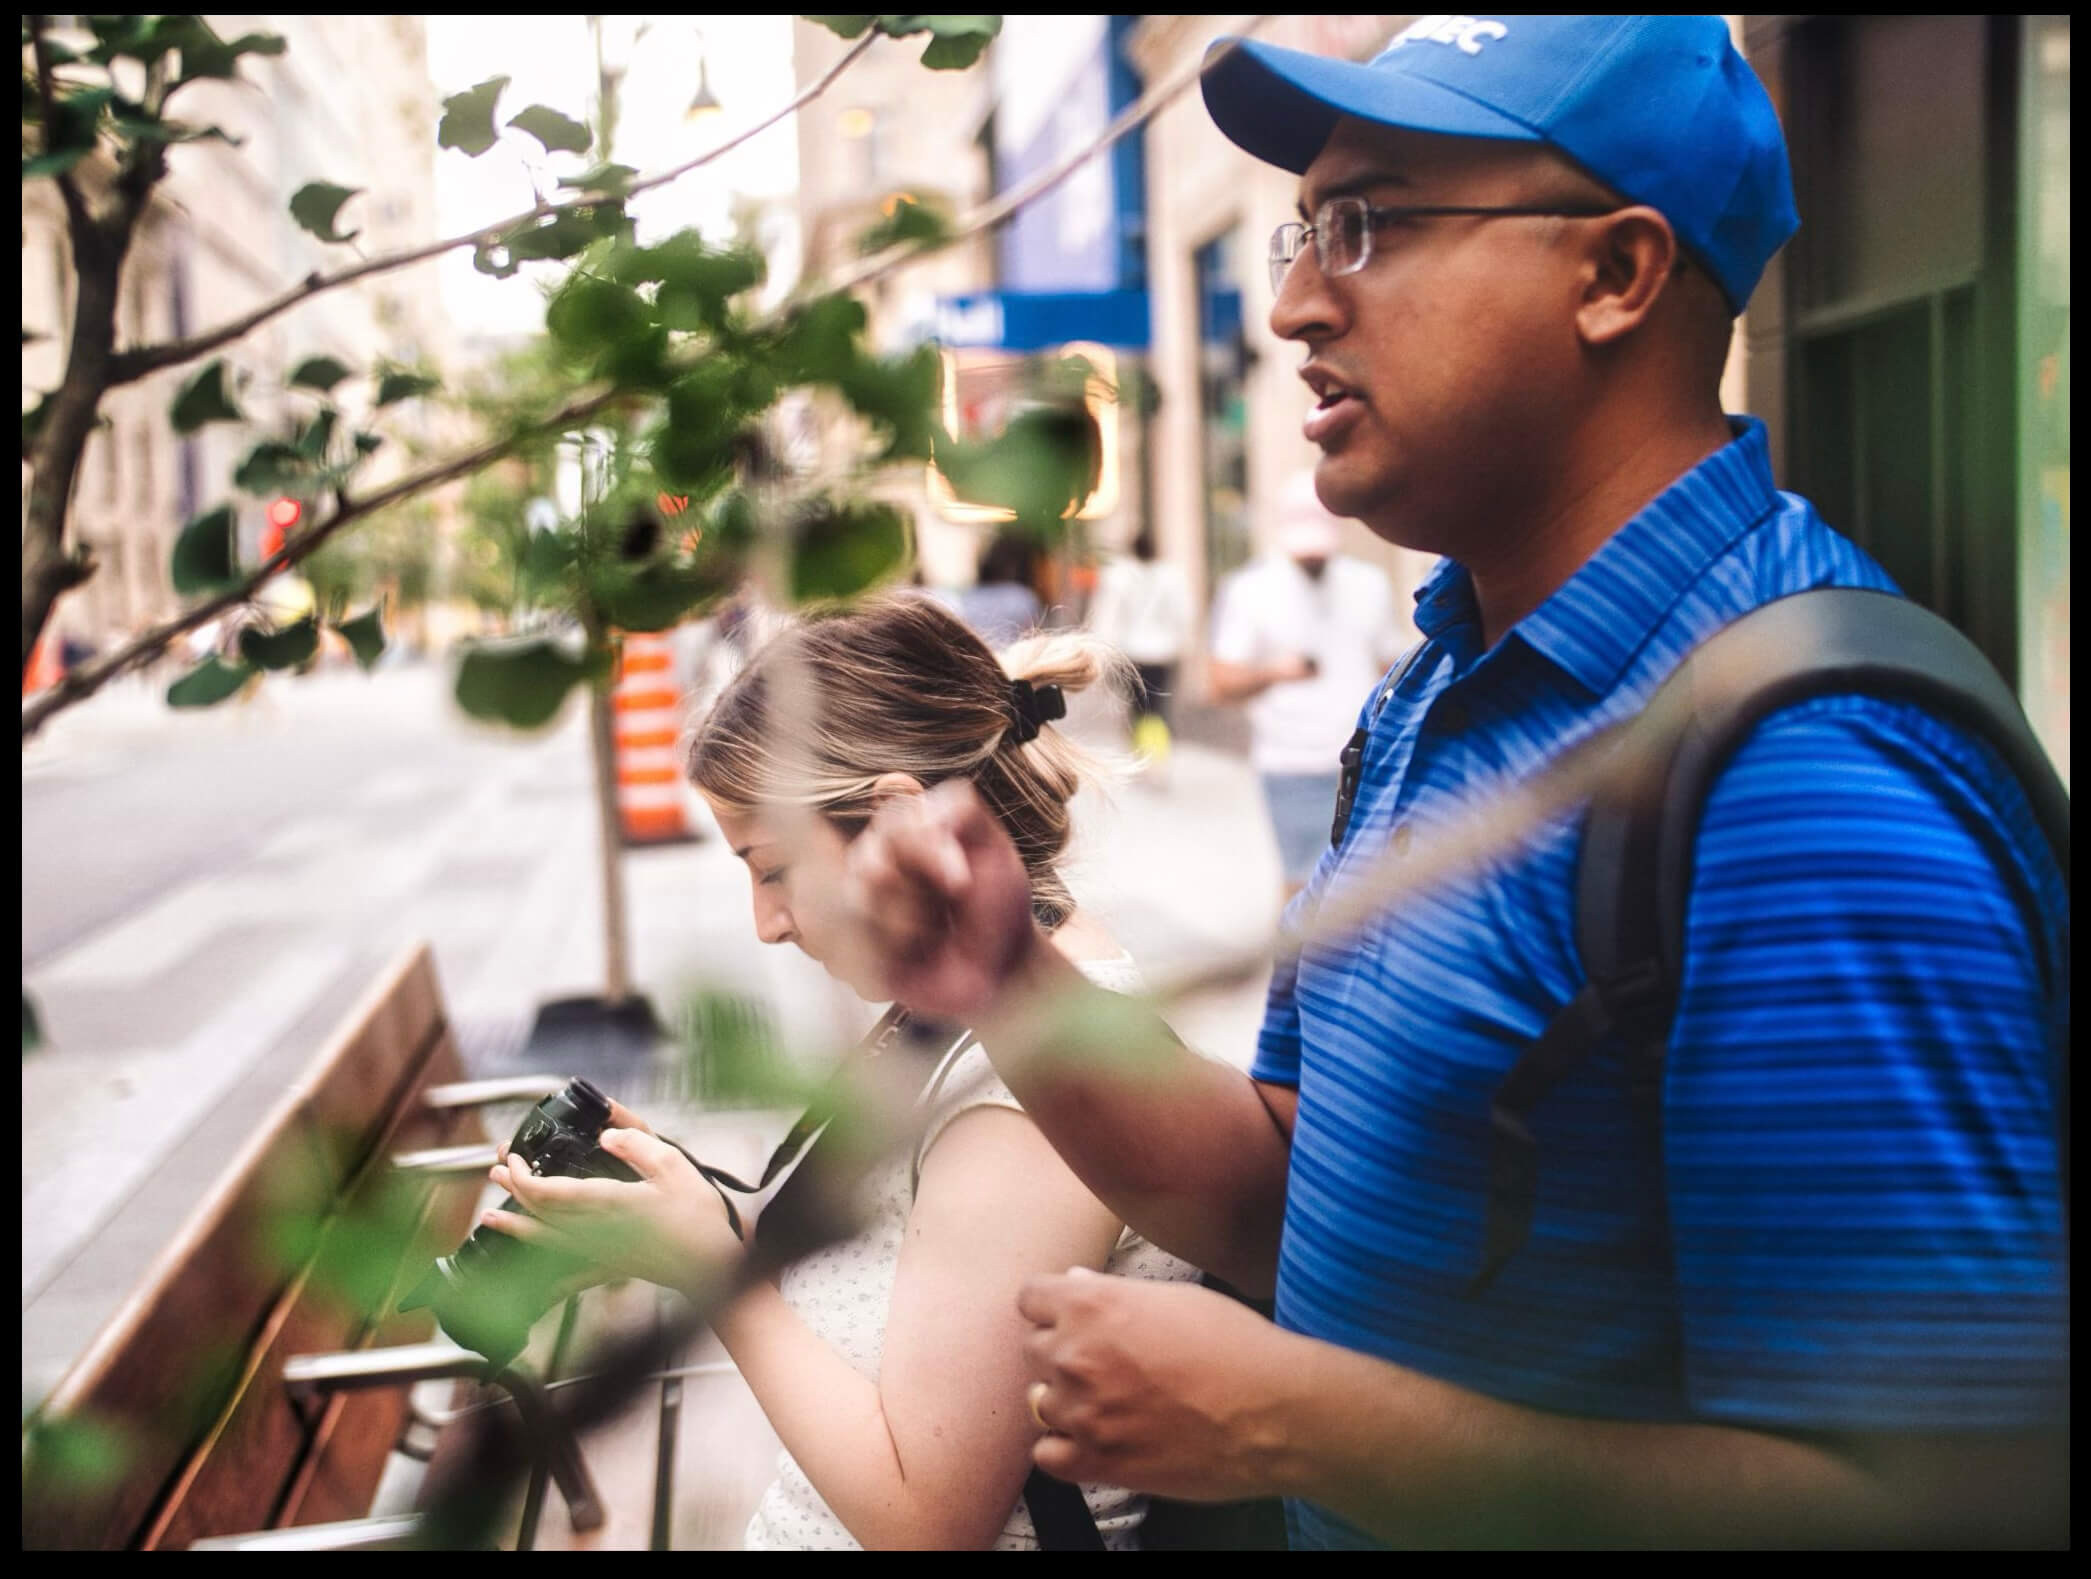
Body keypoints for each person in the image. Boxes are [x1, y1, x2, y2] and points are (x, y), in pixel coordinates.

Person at [835, 15, 2069, 1550]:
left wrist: (1293, 1420)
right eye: (1300, 230)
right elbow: (1284, 1188)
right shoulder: (1437, 688)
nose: (1290, 302)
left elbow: (1946, 1500)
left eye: (1366, 226)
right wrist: (1007, 972)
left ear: (1613, 274)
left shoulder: (1800, 781)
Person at [481, 592, 1201, 1550]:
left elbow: (926, 1522)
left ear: (894, 819)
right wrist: (684, 1213)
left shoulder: (1020, 1101)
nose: (764, 923)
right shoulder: (974, 1000)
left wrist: (710, 1270)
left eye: (773, 868)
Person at [1207, 472, 1407, 897]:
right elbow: (1221, 683)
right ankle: (1295, 967)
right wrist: (1277, 672)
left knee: (1363, 892)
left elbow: (1391, 667)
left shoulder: (1369, 583)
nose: (1313, 558)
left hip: (1362, 760)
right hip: (1290, 763)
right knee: (1303, 890)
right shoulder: (1250, 589)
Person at [1087, 527, 1194, 774]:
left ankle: (1143, 756)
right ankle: (1156, 757)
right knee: (1157, 706)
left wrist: (1102, 652)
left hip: (1131, 652)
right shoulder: (1171, 576)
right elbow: (1183, 614)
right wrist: (1181, 643)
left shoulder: (1118, 576)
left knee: (1138, 706)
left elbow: (1107, 617)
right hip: (1162, 652)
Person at [957, 530, 1046, 649]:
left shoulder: (969, 597)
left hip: (979, 661)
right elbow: (1033, 641)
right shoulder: (1022, 597)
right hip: (1014, 663)